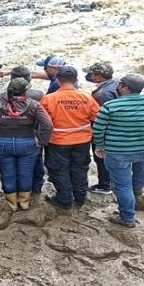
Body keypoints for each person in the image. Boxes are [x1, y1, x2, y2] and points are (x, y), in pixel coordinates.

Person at [0, 78, 53, 211]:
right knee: (26, 173)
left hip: (2, 143)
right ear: (25, 91)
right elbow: (47, 125)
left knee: (7, 173)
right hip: (27, 143)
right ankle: (24, 202)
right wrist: (42, 141)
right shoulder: (34, 105)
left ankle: (12, 203)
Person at [93, 74, 144, 228]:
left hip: (117, 152)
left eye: (120, 84)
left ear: (124, 87)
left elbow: (98, 129)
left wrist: (100, 145)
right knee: (140, 170)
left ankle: (127, 218)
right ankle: (137, 192)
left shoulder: (111, 106)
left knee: (122, 186)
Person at [40, 66, 100, 210]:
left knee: (59, 169)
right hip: (82, 141)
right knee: (80, 168)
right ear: (76, 80)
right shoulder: (86, 97)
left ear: (58, 80)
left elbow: (42, 121)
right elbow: (97, 117)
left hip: (58, 141)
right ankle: (80, 196)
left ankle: (64, 199)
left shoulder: (49, 99)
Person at [84, 62, 119, 195]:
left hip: (105, 132)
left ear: (98, 76)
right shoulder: (115, 83)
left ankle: (105, 185)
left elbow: (100, 117)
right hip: (116, 130)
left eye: (91, 74)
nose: (88, 76)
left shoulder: (102, 94)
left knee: (100, 157)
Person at [10, 66, 46, 194]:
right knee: (36, 161)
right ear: (29, 79)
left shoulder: (0, 97)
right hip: (33, 134)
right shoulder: (38, 95)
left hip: (10, 134)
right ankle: (36, 186)